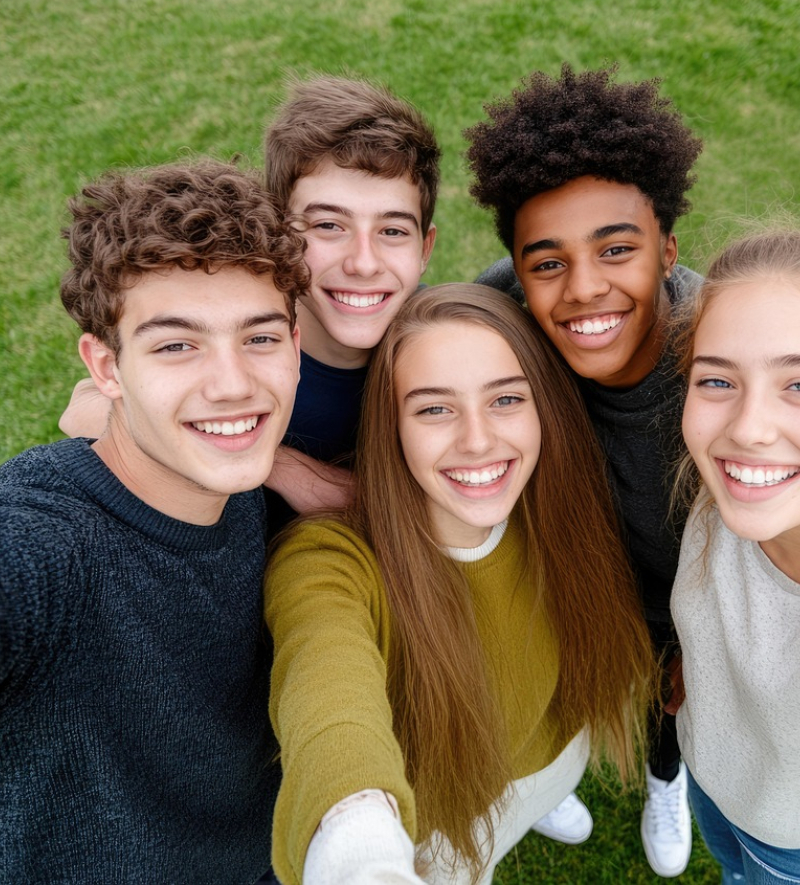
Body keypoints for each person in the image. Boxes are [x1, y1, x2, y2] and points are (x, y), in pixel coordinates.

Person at [265, 284, 655, 885]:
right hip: (447, 820)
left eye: (505, 400)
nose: (477, 440)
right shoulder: (330, 560)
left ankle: (544, 802)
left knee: (539, 791)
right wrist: (359, 842)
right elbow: (327, 688)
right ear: (390, 425)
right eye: (434, 409)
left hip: (554, 756)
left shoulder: (557, 501)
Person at [0, 160, 306, 883]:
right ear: (105, 367)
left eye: (260, 337)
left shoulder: (239, 488)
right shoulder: (46, 543)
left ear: (296, 345)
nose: (233, 384)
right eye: (176, 344)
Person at [465, 63, 703, 878]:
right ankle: (547, 772)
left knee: (672, 694)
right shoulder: (496, 319)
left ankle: (665, 773)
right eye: (548, 262)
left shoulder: (725, 354)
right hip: (571, 575)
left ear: (668, 247)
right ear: (519, 276)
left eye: (616, 248)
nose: (584, 289)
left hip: (687, 591)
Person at [59, 74, 440, 516]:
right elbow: (84, 408)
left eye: (392, 231)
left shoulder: (436, 337)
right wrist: (294, 473)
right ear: (278, 228)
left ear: (424, 248)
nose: (363, 263)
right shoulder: (240, 336)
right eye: (328, 226)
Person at [672, 229, 800, 884]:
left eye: (798, 385)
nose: (748, 426)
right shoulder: (725, 493)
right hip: (711, 774)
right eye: (717, 379)